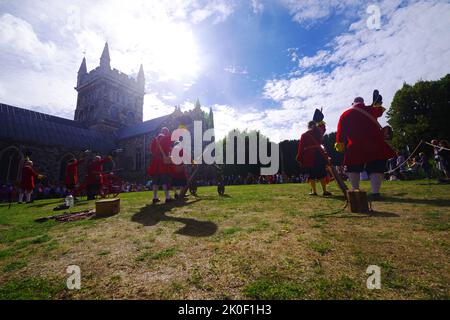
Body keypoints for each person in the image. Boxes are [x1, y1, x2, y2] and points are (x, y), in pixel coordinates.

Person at [335, 93, 395, 200]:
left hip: (355, 145)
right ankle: (375, 193)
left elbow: (340, 132)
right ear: (363, 103)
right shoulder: (370, 109)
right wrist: (376, 103)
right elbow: (379, 111)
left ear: (352, 103)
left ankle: (356, 192)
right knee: (376, 167)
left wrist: (340, 145)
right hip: (375, 144)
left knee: (353, 167)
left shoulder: (344, 114)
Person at [296, 109, 331, 196]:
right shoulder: (319, 132)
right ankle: (324, 191)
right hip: (319, 154)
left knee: (311, 174)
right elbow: (323, 127)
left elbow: (301, 148)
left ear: (308, 126)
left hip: (309, 156)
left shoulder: (304, 135)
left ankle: (314, 192)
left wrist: (299, 157)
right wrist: (319, 119)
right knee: (322, 173)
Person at [147, 127, 173, 204]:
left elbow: (152, 150)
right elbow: (168, 149)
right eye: (167, 132)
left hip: (155, 162)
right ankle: (167, 197)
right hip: (162, 162)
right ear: (166, 132)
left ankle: (155, 198)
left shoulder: (155, 139)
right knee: (165, 179)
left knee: (155, 181)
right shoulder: (166, 138)